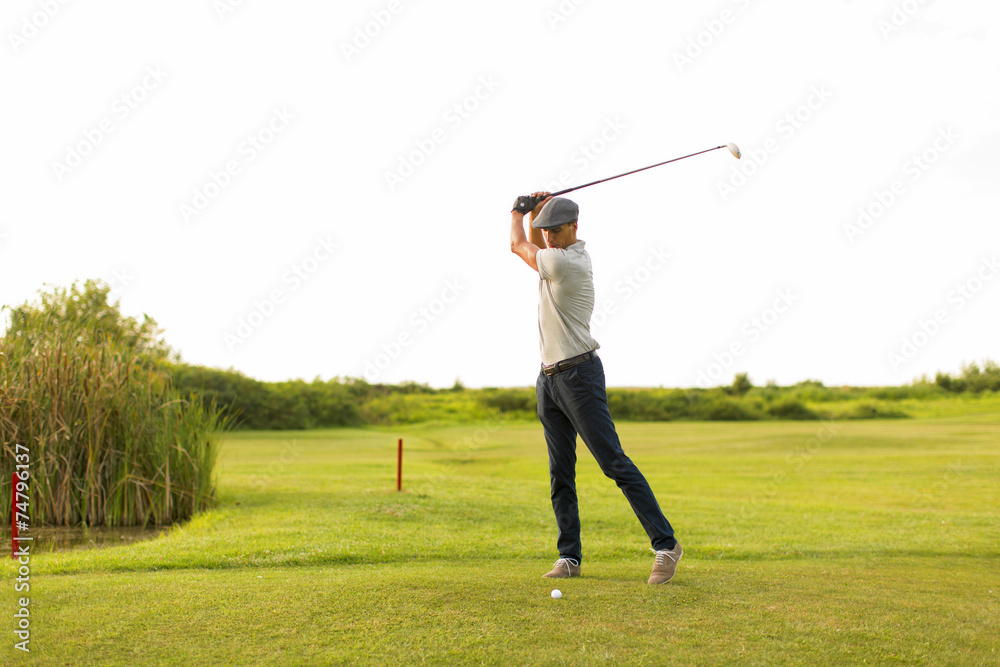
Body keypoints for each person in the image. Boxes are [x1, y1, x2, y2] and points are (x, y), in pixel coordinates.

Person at [509, 192, 682, 584]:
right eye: (546, 231)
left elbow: (519, 244)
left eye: (555, 230)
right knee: (560, 473)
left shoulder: (568, 263)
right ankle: (569, 557)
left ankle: (666, 545)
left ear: (574, 227)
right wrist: (539, 209)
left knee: (614, 464)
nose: (549, 237)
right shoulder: (555, 255)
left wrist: (517, 212)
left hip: (579, 378)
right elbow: (536, 241)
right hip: (549, 378)